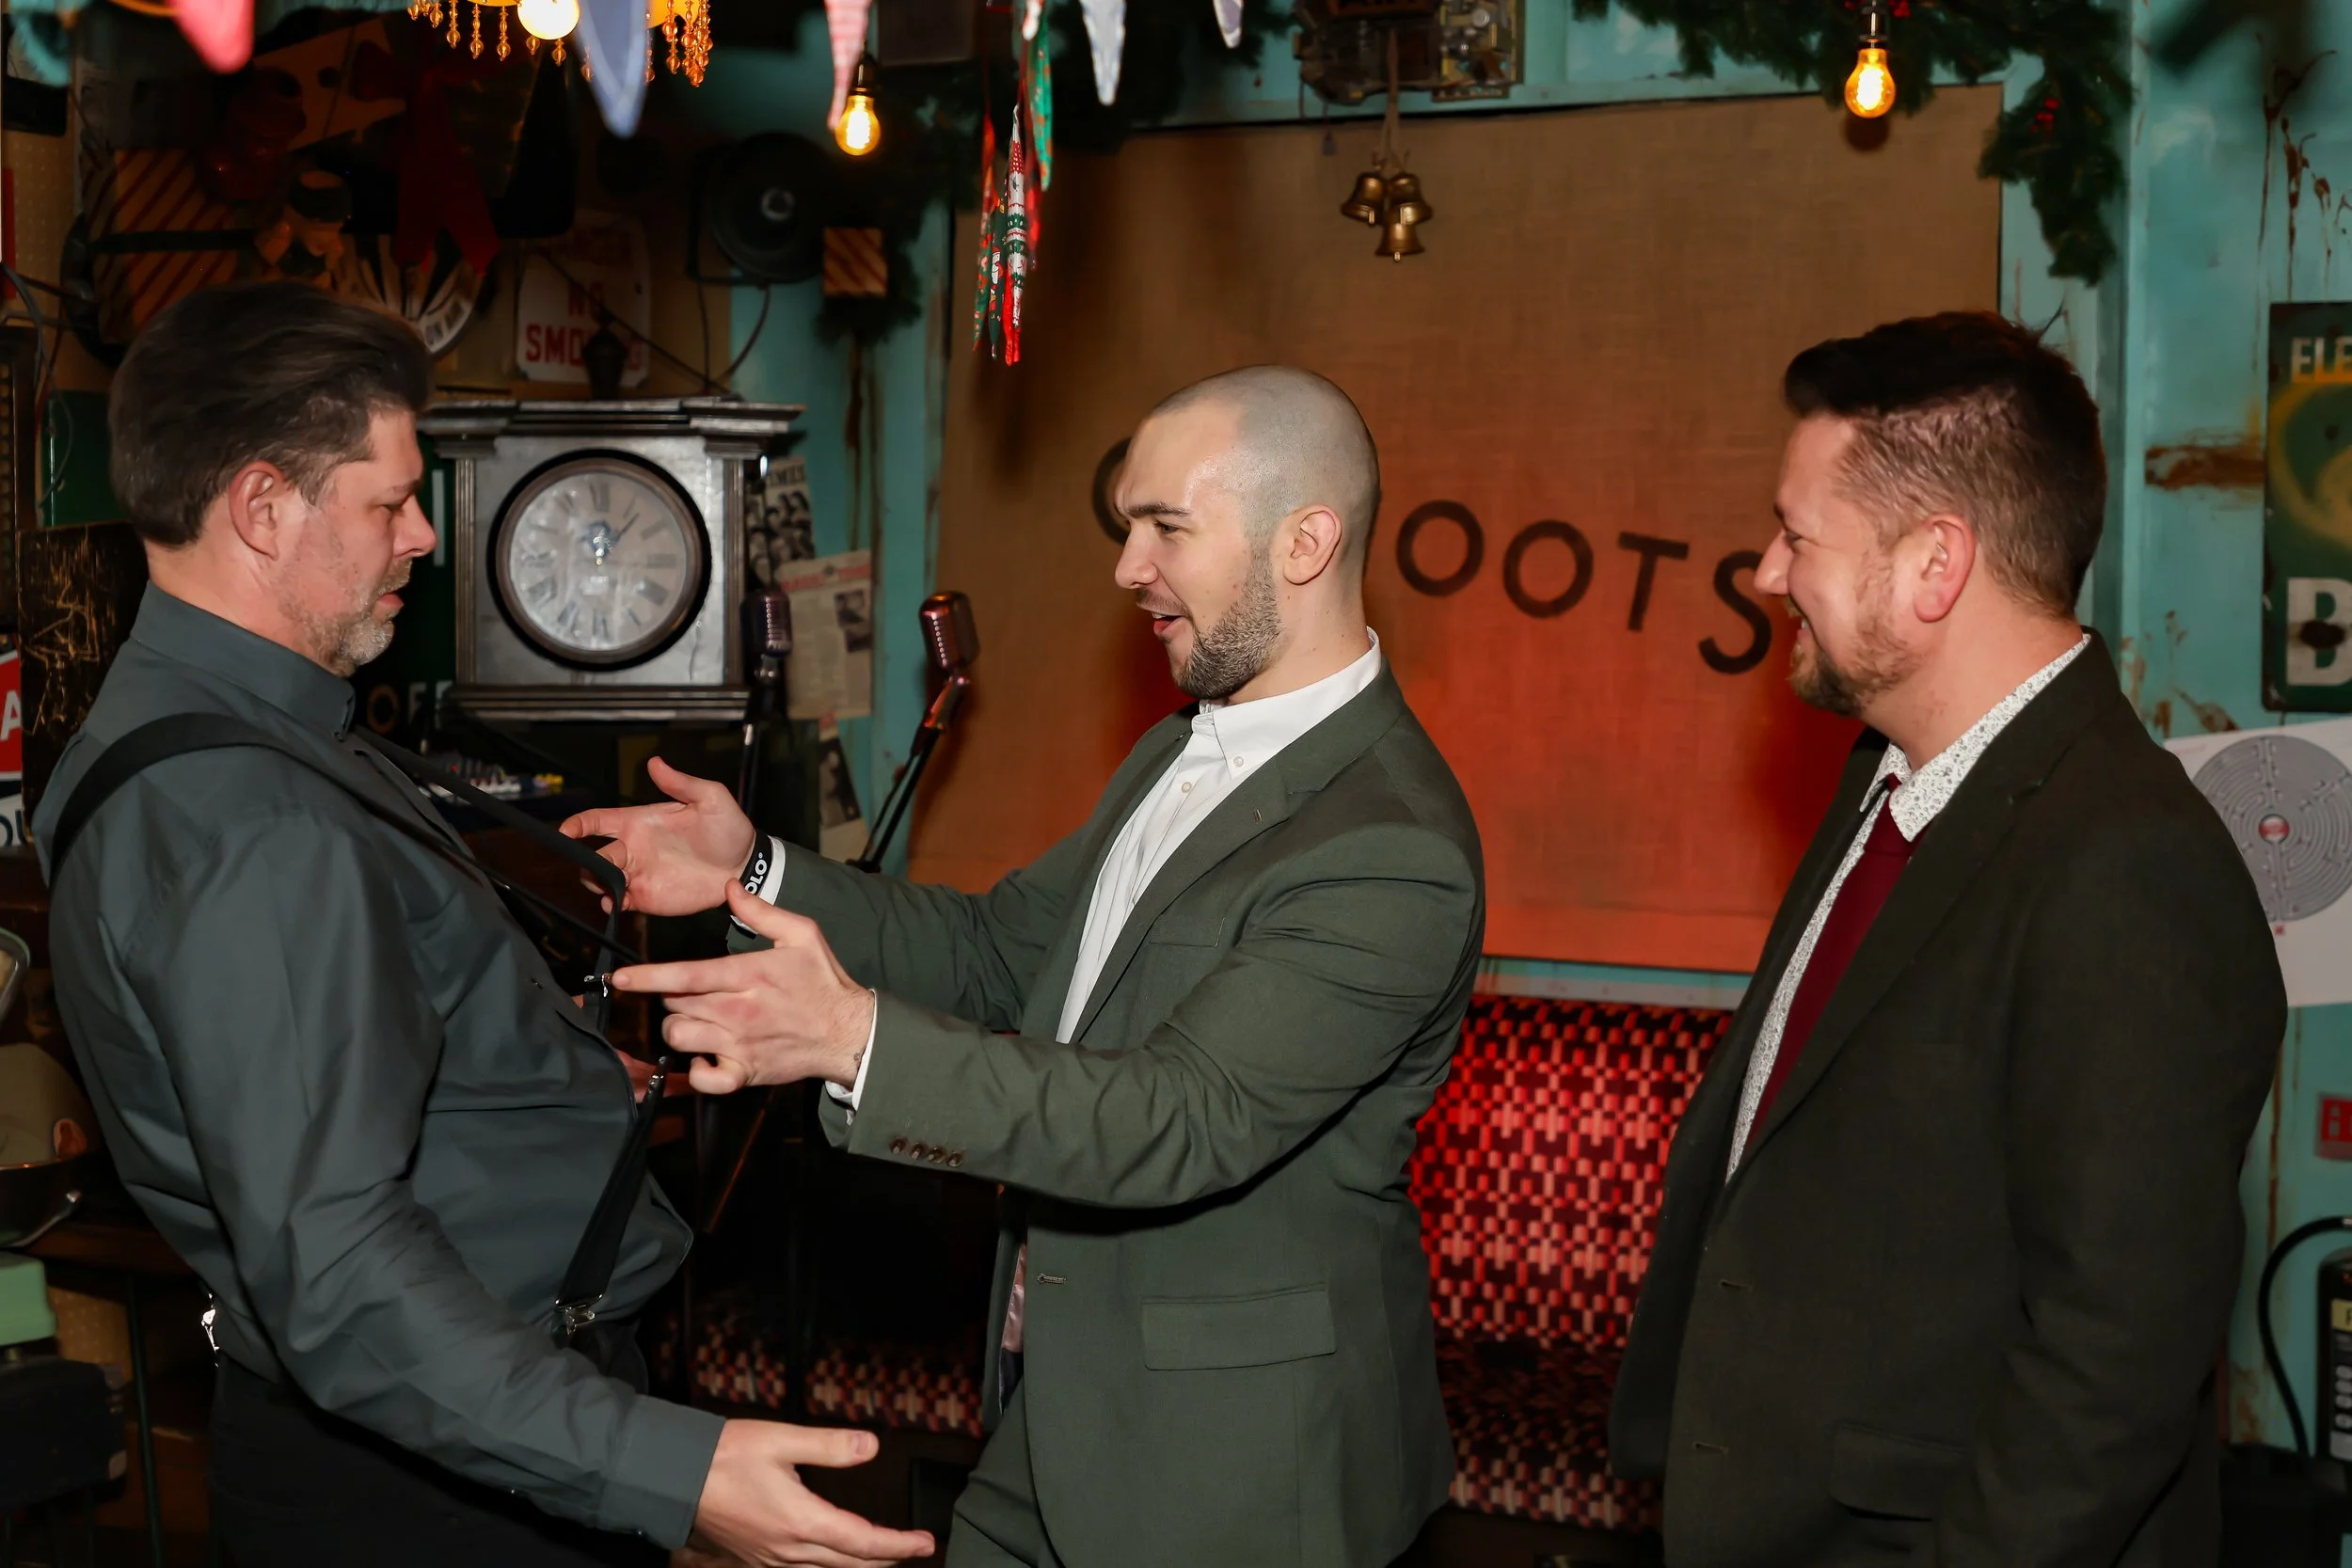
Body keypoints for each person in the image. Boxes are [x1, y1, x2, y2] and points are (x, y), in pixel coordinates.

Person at [35, 282, 933, 1568]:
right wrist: (674, 1470)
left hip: (440, 1426)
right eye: (390, 499)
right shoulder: (254, 816)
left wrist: (529, 1078)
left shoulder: (191, 730)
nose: (423, 537)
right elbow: (336, 1267)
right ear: (260, 505)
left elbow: (306, 1058)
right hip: (423, 1479)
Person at [567, 366, 1485, 1568]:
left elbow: (1181, 1116)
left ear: (1305, 540)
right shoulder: (1177, 752)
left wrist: (855, 1042)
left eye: (1166, 528)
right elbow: (1003, 951)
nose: (1127, 568)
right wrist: (759, 867)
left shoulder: (1391, 844)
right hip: (1047, 1412)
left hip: (1235, 1467)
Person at [1607, 312, 2285, 1566]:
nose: (1765, 570)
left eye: (1799, 533)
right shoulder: (1887, 777)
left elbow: (2109, 1371)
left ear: (1935, 566)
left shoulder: (2129, 861)